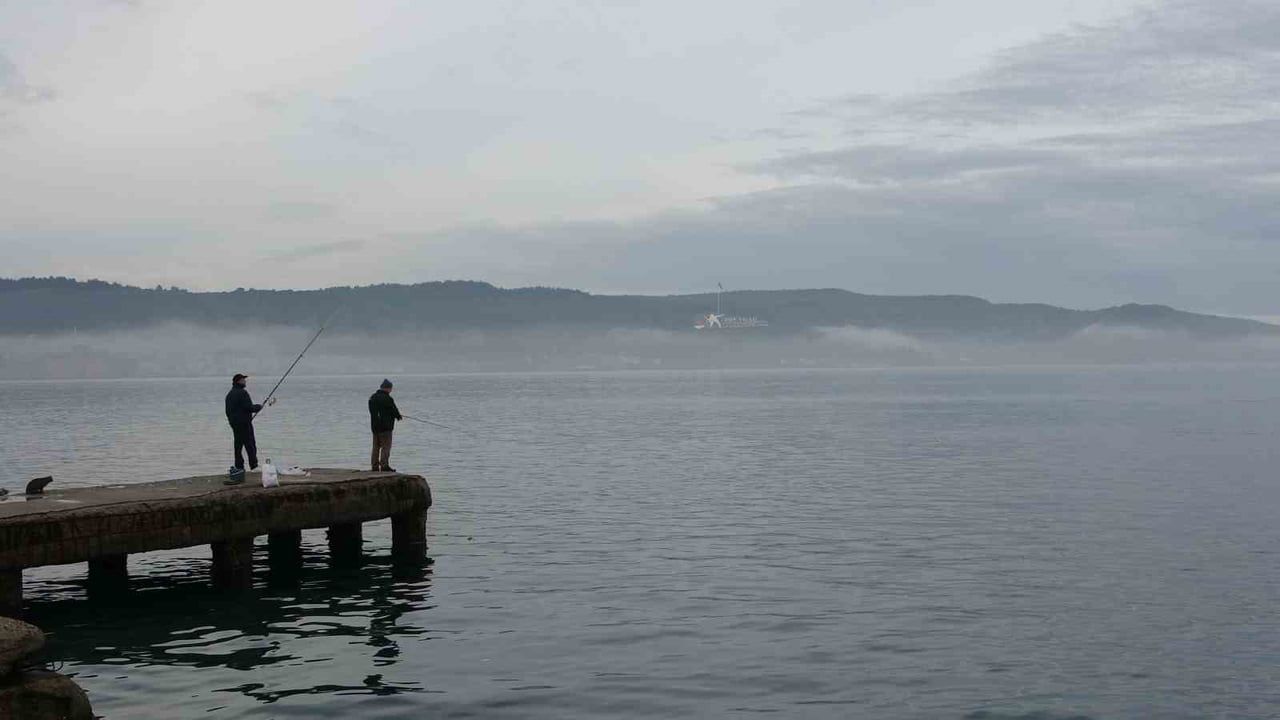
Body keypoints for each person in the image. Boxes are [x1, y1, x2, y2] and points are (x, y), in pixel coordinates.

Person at [224, 373, 273, 484]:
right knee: (250, 444)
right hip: (244, 424)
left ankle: (239, 466)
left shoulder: (230, 394)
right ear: (238, 381)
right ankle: (254, 466)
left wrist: (233, 421)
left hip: (235, 424)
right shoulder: (243, 393)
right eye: (243, 380)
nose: (245, 381)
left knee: (238, 446)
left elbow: (228, 411)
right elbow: (249, 407)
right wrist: (258, 407)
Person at [368, 378, 402, 472]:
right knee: (386, 447)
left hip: (375, 427)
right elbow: (393, 410)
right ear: (387, 388)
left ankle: (374, 466)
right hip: (385, 427)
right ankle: (384, 466)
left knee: (376, 447)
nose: (391, 390)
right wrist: (398, 416)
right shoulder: (387, 398)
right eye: (390, 388)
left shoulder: (372, 397)